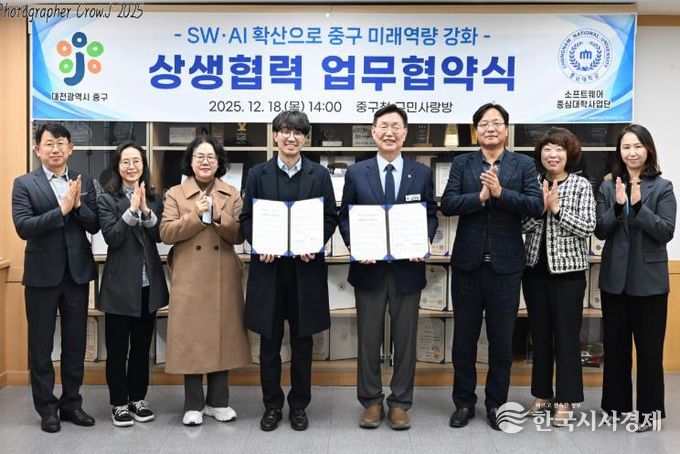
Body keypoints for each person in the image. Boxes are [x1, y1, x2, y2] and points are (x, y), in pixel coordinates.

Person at [441, 103, 542, 430]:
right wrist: (480, 197)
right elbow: (448, 203)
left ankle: (496, 404)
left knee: (501, 342)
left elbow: (535, 205)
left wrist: (500, 192)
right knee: (464, 341)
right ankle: (463, 403)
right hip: (467, 267)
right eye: (484, 124)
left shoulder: (523, 164)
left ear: (506, 129)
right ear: (476, 131)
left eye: (497, 123)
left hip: (506, 267)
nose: (490, 128)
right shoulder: (463, 163)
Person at [339, 104, 438, 430]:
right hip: (369, 269)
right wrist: (357, 246)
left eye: (396, 126)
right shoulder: (357, 173)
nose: (389, 132)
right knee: (369, 339)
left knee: (405, 341)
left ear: (405, 133)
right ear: (373, 132)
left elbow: (430, 214)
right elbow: (345, 216)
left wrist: (422, 241)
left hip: (407, 270)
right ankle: (370, 401)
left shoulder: (421, 173)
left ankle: (399, 403)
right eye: (383, 126)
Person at [240, 110, 337, 432]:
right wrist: (260, 242)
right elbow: (247, 218)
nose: (291, 137)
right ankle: (271, 405)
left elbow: (330, 217)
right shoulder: (258, 174)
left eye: (297, 132)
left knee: (302, 343)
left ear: (305, 139)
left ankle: (298, 405)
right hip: (269, 271)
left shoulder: (319, 175)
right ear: (275, 136)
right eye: (285, 131)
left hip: (304, 271)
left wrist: (315, 242)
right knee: (269, 344)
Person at [11, 123, 99, 432]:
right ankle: (47, 408)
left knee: (75, 343)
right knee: (41, 346)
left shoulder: (84, 181)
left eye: (61, 143)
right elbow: (23, 226)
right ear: (38, 150)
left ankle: (72, 403)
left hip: (76, 275)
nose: (56, 149)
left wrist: (78, 207)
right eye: (49, 143)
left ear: (70, 149)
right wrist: (60, 211)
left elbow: (94, 225)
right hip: (41, 276)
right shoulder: (24, 184)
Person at [160, 135, 251, 426]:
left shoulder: (231, 193)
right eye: (199, 156)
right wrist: (196, 216)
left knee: (222, 336)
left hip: (223, 276)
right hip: (189, 277)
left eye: (211, 157)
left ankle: (218, 401)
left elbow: (239, 234)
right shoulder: (175, 193)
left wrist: (217, 214)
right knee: (191, 338)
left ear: (219, 162)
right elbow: (166, 233)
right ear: (190, 161)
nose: (205, 162)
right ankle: (193, 404)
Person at [595, 124, 676, 432]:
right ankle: (615, 407)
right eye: (626, 147)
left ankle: (649, 413)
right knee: (615, 349)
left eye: (637, 146)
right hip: (614, 281)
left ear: (648, 150)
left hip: (650, 283)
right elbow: (601, 230)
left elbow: (665, 231)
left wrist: (639, 206)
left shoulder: (663, 187)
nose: (632, 152)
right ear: (619, 152)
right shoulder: (607, 187)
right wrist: (618, 207)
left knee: (649, 352)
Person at [521, 128, 595, 425]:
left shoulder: (580, 185)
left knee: (566, 338)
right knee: (539, 337)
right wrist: (540, 208)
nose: (552, 155)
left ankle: (566, 399)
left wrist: (558, 209)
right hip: (534, 272)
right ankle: (542, 395)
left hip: (568, 275)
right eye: (548, 149)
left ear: (569, 154)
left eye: (559, 149)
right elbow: (521, 224)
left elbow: (587, 226)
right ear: (540, 154)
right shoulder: (533, 183)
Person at [97, 142, 169, 427]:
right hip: (119, 287)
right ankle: (118, 403)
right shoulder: (106, 199)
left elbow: (159, 235)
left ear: (143, 165)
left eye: (136, 161)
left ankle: (138, 398)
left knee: (141, 348)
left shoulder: (154, 196)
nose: (131, 166)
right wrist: (131, 210)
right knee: (117, 350)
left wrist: (146, 211)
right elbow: (113, 237)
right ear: (117, 167)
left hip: (147, 285)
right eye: (125, 161)